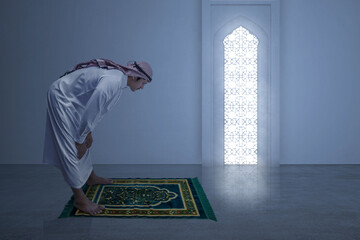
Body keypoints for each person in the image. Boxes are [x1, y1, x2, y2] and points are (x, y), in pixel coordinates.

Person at [43, 58, 153, 215]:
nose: (142, 88)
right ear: (135, 77)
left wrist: (87, 133)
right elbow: (92, 108)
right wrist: (80, 139)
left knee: (84, 141)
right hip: (60, 97)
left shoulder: (118, 81)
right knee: (70, 147)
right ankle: (80, 199)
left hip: (73, 101)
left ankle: (90, 177)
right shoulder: (113, 81)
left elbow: (95, 110)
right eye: (144, 83)